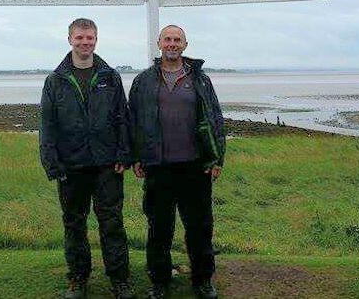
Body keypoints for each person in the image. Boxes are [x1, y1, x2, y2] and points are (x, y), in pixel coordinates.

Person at [39, 18, 135, 299]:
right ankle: (78, 279)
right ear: (70, 39)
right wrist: (51, 163)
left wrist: (124, 154)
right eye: (80, 38)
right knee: (74, 223)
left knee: (112, 223)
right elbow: (48, 125)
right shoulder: (55, 80)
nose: (85, 42)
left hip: (107, 164)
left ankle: (120, 280)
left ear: (96, 39)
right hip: (71, 166)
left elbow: (122, 118)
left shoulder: (110, 76)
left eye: (90, 38)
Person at [129, 25, 225, 299]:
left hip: (195, 167)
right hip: (157, 167)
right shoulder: (143, 81)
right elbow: (132, 121)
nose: (172, 43)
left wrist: (217, 158)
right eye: (167, 39)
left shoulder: (200, 80)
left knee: (199, 228)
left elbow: (216, 121)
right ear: (159, 43)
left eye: (177, 40)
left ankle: (203, 280)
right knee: (159, 228)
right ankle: (159, 281)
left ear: (185, 45)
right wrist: (136, 156)